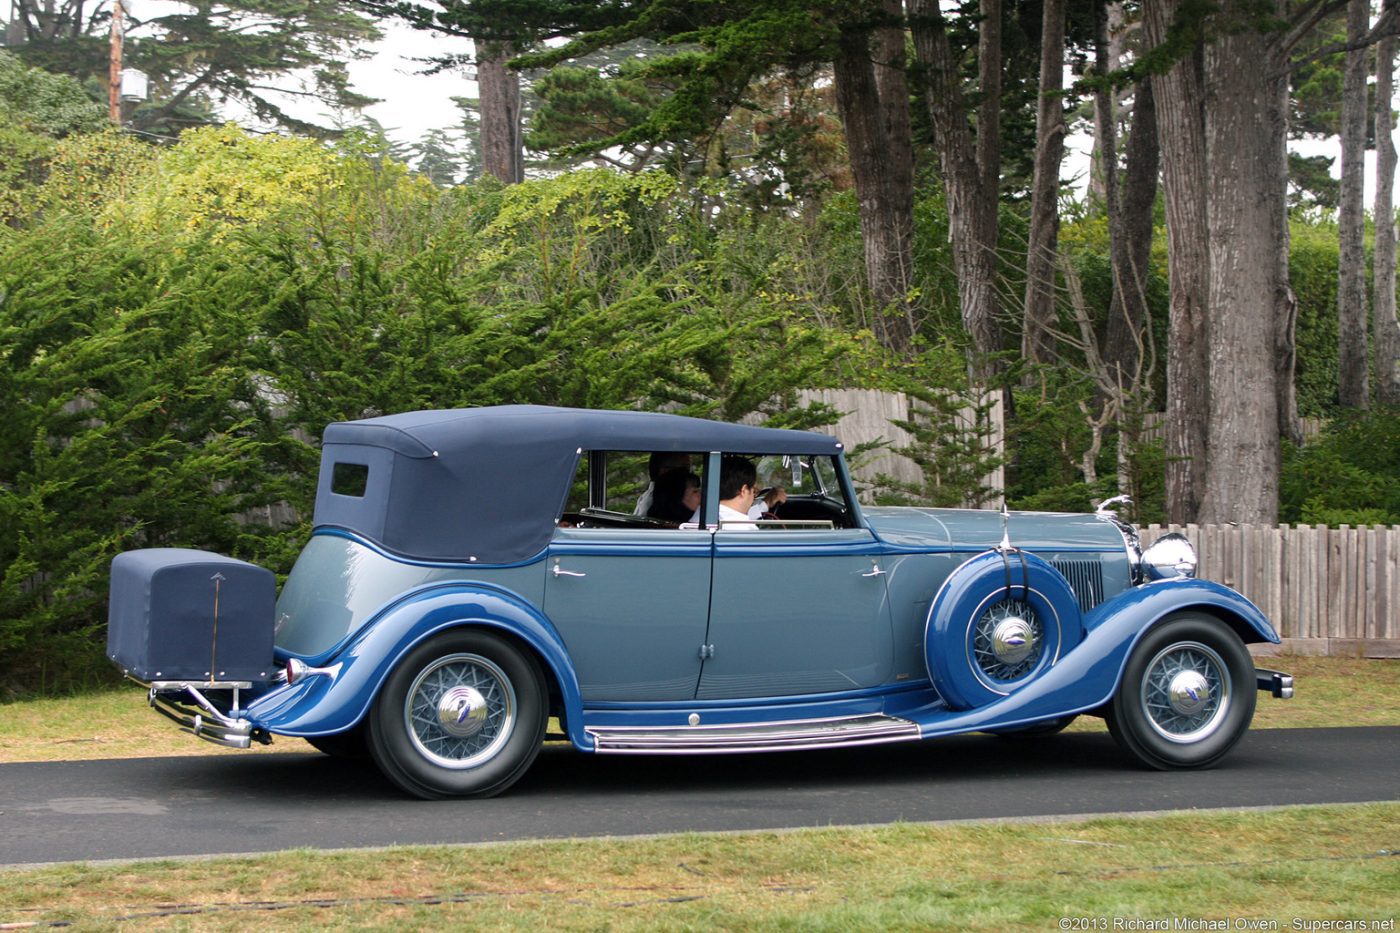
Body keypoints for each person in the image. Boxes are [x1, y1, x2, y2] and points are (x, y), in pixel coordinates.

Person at [690, 454, 758, 530]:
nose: (753, 497)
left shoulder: (700, 515)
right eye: (754, 491)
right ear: (744, 490)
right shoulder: (744, 529)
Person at [633, 451, 691, 516]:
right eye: (685, 469)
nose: (689, 475)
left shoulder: (650, 497)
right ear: (665, 471)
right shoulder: (656, 501)